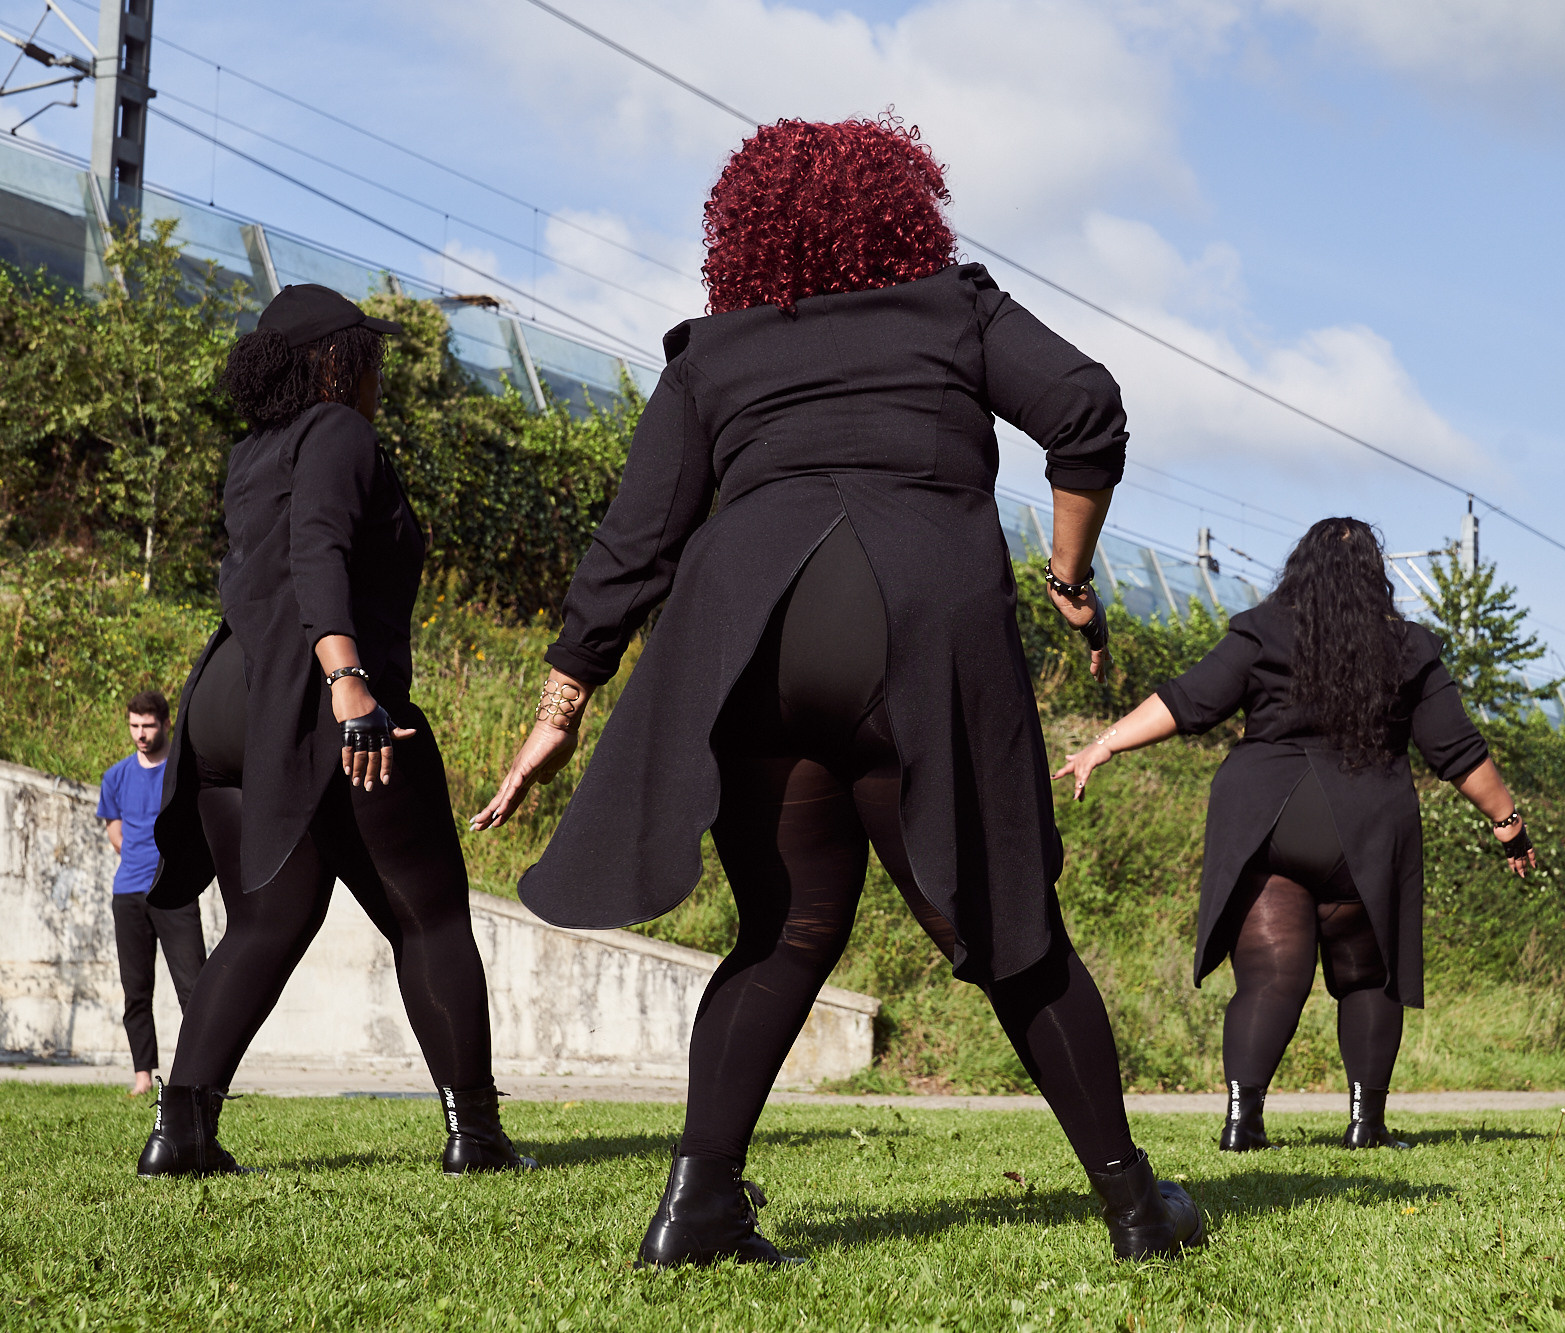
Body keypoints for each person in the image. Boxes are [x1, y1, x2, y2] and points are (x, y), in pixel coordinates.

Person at [474, 116, 1203, 1266]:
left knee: (786, 923)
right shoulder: (954, 308)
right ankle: (1135, 1209)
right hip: (914, 622)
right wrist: (1067, 578)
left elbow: (636, 539)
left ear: (745, 236)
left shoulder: (714, 350)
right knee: (1006, 927)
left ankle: (695, 1209)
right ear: (901, 212)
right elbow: (1085, 409)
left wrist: (557, 708)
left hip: (748, 639)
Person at [138, 283, 532, 1179]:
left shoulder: (253, 450)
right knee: (429, 913)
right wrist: (349, 682)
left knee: (266, 919)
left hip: (228, 698)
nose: (377, 373)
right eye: (368, 355)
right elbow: (317, 548)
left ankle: (181, 1131)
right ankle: (477, 1136)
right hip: (318, 693)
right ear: (334, 362)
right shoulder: (340, 433)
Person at [1055, 518, 1536, 1152]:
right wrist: (1508, 826)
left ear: (1299, 571)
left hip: (1269, 821)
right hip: (1363, 830)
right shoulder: (1409, 649)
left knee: (1270, 979)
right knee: (1367, 980)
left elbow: (1188, 701)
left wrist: (1104, 744)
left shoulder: (1264, 631)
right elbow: (1457, 750)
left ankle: (1242, 1123)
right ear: (1375, 576)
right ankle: (1366, 1125)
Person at [97, 689, 208, 1097]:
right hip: (128, 894)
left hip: (174, 892)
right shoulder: (115, 776)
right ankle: (143, 1075)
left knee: (195, 988)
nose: (140, 734)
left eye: (147, 725)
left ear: (165, 724)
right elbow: (115, 832)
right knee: (136, 990)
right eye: (134, 726)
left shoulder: (183, 773)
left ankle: (200, 1074)